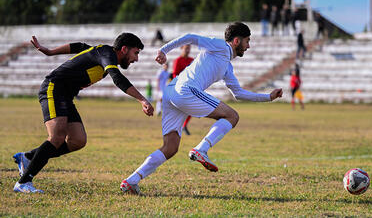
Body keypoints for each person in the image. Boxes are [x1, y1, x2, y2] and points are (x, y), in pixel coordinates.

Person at [120, 22, 283, 194]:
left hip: (172, 92)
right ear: (236, 41)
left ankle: (131, 181)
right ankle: (201, 150)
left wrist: (268, 97)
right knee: (232, 116)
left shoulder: (227, 65)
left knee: (170, 147)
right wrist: (163, 50)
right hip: (185, 91)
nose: (248, 46)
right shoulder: (221, 46)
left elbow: (238, 93)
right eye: (247, 41)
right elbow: (191, 37)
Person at [13, 33, 154, 193]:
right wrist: (143, 100)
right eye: (135, 53)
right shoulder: (107, 55)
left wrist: (51, 52)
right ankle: (23, 182)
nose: (136, 59)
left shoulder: (101, 53)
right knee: (57, 137)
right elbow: (117, 78)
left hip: (65, 95)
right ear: (124, 49)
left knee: (77, 140)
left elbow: (79, 46)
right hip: (54, 88)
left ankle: (29, 157)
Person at [172, 44, 194, 135]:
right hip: (180, 88)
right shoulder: (178, 60)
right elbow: (174, 74)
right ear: (181, 48)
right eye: (186, 48)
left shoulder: (192, 60)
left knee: (192, 108)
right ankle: (176, 127)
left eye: (189, 48)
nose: (187, 50)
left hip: (190, 88)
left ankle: (184, 125)